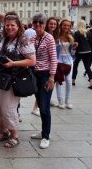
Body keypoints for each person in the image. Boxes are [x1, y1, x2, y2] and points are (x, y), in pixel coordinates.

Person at [0, 14, 35, 148]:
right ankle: (3, 131)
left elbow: (32, 61)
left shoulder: (23, 40)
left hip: (11, 79)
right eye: (7, 25)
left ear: (18, 26)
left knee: (8, 108)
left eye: (12, 25)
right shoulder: (2, 39)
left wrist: (13, 63)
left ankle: (14, 135)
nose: (9, 27)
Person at [30, 13, 57, 149]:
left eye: (41, 23)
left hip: (46, 75)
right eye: (36, 23)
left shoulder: (49, 38)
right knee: (41, 105)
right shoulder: (33, 38)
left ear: (45, 24)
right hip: (35, 75)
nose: (38, 25)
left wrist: (52, 78)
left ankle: (46, 136)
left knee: (45, 107)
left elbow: (53, 59)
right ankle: (43, 131)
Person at [56, 19, 75, 108]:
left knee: (68, 80)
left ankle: (68, 101)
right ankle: (60, 101)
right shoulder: (57, 36)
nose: (66, 27)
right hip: (58, 59)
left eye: (68, 26)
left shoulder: (71, 36)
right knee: (59, 80)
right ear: (61, 26)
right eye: (64, 25)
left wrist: (74, 47)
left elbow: (73, 52)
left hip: (68, 59)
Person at [72, 20, 92, 89]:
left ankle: (73, 80)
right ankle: (91, 82)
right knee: (87, 67)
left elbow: (75, 44)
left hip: (79, 51)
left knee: (75, 65)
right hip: (88, 51)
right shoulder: (89, 33)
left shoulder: (76, 33)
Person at [44, 17, 60, 107]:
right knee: (44, 86)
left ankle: (48, 100)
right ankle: (36, 106)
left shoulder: (56, 35)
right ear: (47, 24)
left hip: (54, 63)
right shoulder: (45, 35)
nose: (53, 25)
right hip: (46, 64)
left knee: (51, 83)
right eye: (51, 24)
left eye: (55, 24)